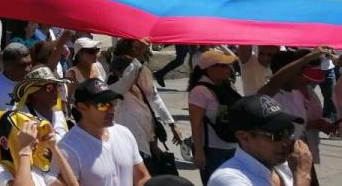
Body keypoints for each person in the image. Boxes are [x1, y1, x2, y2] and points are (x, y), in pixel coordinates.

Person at [206, 95, 313, 186]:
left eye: (289, 130)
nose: (287, 141)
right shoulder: (227, 179)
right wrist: (302, 175)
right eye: (277, 135)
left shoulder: (283, 166)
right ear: (244, 137)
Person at [58, 79, 149, 185]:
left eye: (113, 102)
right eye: (102, 105)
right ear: (82, 107)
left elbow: (141, 176)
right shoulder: (68, 148)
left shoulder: (125, 133)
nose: (111, 109)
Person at [106, 40, 178, 173]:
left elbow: (154, 98)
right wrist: (136, 59)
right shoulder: (114, 77)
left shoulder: (142, 71)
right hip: (127, 132)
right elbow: (122, 87)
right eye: (135, 48)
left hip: (146, 130)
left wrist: (171, 124)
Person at [0, 112, 79, 186]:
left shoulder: (34, 164)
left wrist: (54, 147)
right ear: (4, 142)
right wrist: (25, 150)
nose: (36, 142)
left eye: (35, 136)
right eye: (27, 137)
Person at [188, 49, 242, 182]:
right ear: (209, 69)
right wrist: (199, 153)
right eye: (223, 66)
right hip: (212, 149)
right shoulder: (199, 91)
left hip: (232, 145)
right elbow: (196, 123)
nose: (228, 69)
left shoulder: (227, 86)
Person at [9, 67, 70, 139]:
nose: (56, 91)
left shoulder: (58, 113)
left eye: (57, 86)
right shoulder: (22, 118)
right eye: (49, 88)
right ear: (33, 92)